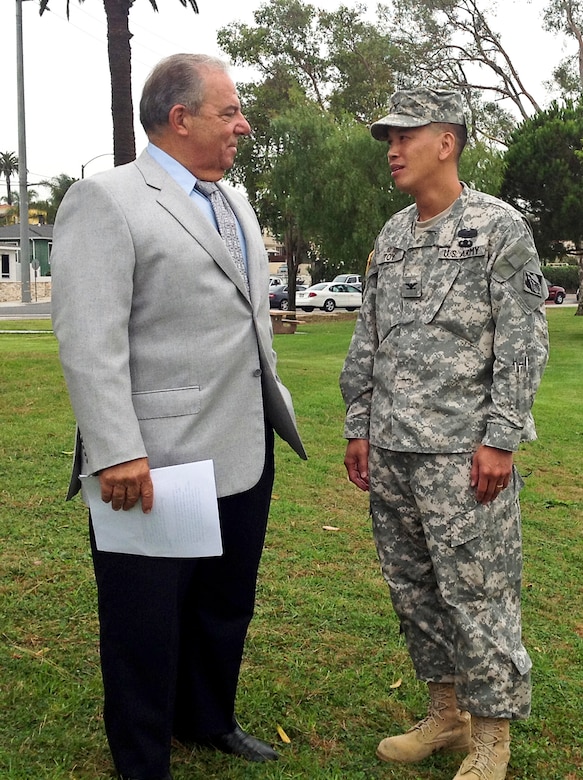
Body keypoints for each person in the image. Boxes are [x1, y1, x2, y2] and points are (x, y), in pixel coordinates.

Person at [52, 53, 306, 780]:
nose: (242, 124)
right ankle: (143, 756)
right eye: (229, 111)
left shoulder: (234, 199)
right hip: (154, 460)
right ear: (180, 118)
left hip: (243, 443)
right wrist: (115, 450)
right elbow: (88, 338)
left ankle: (207, 718)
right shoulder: (107, 200)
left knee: (225, 604)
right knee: (144, 622)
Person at [340, 88, 548, 780]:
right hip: (394, 451)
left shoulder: (498, 228)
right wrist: (358, 425)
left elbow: (522, 342)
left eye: (405, 135)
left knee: (478, 592)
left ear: (446, 142)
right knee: (413, 588)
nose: (393, 150)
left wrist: (500, 436)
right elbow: (367, 337)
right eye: (388, 140)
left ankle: (491, 735)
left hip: (463, 454)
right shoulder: (392, 236)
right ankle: (446, 713)